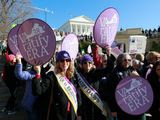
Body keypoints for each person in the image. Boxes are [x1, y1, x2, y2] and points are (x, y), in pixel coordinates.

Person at [32, 50, 79, 120]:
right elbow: (38, 91)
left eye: (67, 60)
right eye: (62, 60)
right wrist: (38, 73)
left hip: (71, 115)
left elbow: (78, 95)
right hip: (58, 116)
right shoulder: (52, 76)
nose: (65, 63)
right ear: (58, 63)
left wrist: (79, 113)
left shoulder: (72, 76)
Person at [103, 53, 146, 120]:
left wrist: (138, 77)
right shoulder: (114, 73)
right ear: (120, 61)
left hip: (134, 105)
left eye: (129, 60)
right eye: (125, 60)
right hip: (121, 107)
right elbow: (110, 92)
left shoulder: (133, 70)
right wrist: (113, 109)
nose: (127, 62)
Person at [75, 54, 111, 120]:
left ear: (92, 64)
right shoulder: (78, 76)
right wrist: (79, 113)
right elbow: (78, 95)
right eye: (85, 63)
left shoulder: (96, 73)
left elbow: (109, 69)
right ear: (82, 65)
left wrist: (109, 55)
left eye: (89, 62)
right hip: (84, 109)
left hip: (97, 107)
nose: (87, 65)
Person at [14, 53, 38, 120]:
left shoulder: (46, 73)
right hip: (31, 105)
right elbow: (20, 75)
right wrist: (19, 61)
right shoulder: (31, 73)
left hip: (40, 105)